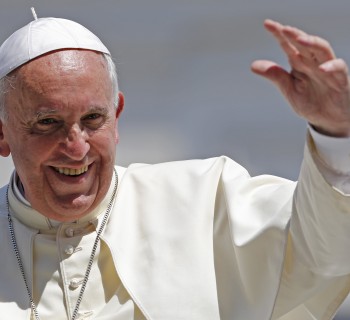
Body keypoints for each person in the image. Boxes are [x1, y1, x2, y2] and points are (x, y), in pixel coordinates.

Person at [0, 13, 349, 320]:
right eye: (48, 122)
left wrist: (334, 134)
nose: (77, 149)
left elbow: (325, 251)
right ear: (3, 133)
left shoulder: (209, 200)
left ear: (117, 117)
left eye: (93, 118)